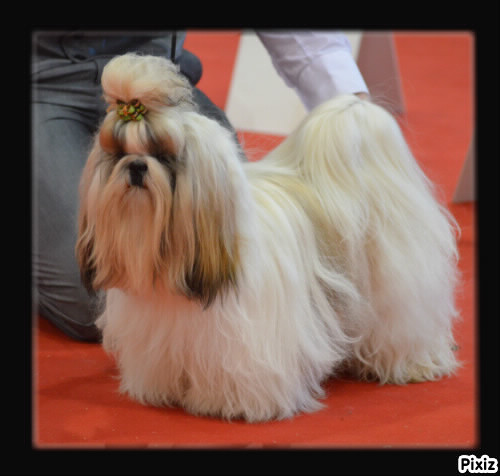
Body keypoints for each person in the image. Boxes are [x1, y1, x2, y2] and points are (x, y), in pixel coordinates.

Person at [32, 30, 369, 342]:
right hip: (43, 83)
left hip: (162, 88)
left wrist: (348, 105)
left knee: (233, 236)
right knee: (91, 298)